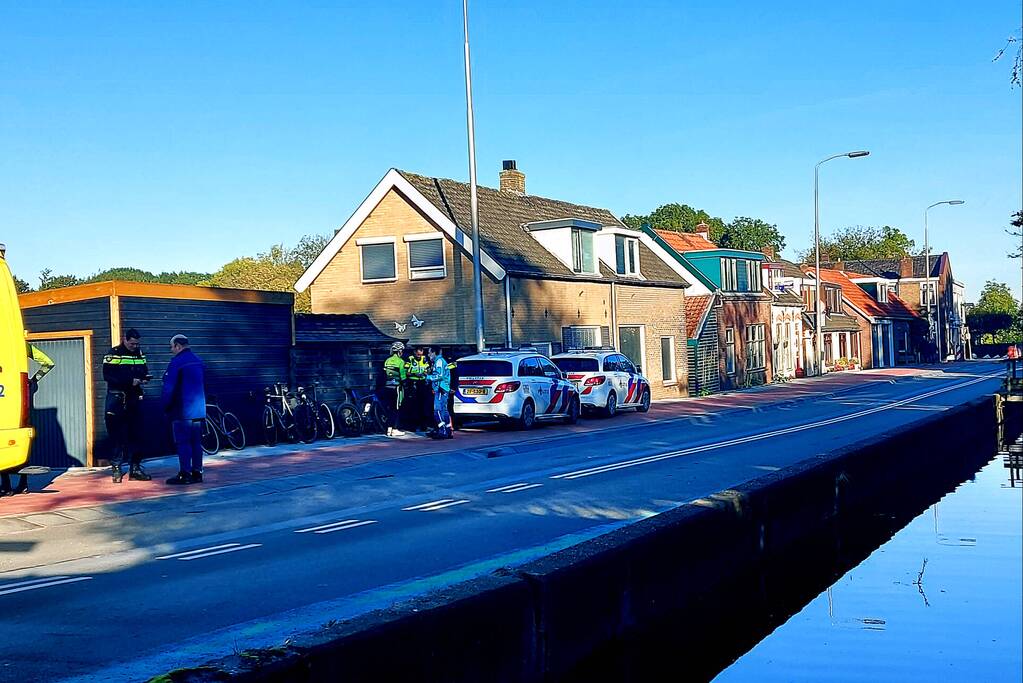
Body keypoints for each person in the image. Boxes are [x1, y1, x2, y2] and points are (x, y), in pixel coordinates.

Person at [1, 344, 56, 496]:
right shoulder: (22, 345)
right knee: (21, 441)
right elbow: (48, 363)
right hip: (20, 397)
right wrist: (32, 380)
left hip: (3, 394)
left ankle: (5, 485)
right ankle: (23, 484)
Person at [103, 328, 151, 483]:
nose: (134, 346)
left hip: (134, 397)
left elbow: (144, 369)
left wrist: (144, 378)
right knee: (116, 434)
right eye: (132, 343)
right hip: (117, 397)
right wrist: (130, 381)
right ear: (125, 339)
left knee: (137, 434)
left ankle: (135, 469)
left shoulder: (139, 353)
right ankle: (116, 468)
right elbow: (108, 375)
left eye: (137, 344)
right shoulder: (114, 353)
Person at [161, 335, 207, 485]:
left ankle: (185, 474)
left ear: (178, 346)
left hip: (182, 410)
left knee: (183, 442)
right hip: (198, 409)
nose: (171, 350)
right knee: (196, 442)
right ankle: (197, 472)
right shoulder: (198, 360)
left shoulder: (177, 363)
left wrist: (165, 406)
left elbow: (169, 388)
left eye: (171, 347)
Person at [426, 346, 453, 440]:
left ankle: (442, 431)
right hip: (444, 388)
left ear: (434, 353)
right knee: (444, 410)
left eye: (429, 353)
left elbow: (439, 376)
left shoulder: (439, 361)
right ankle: (448, 430)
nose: (428, 355)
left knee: (437, 410)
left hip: (441, 388)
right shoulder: (440, 361)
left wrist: (428, 377)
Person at [404, 346, 431, 432]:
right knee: (413, 406)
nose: (419, 356)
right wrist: (415, 374)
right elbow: (406, 372)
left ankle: (424, 425)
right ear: (414, 352)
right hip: (413, 383)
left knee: (424, 405)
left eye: (421, 354)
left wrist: (426, 372)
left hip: (423, 384)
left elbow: (428, 370)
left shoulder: (425, 359)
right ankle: (412, 426)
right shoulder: (409, 359)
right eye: (418, 354)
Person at [382, 342, 407, 437]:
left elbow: (384, 374)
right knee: (396, 409)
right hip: (396, 388)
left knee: (389, 408)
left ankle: (389, 429)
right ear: (400, 351)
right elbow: (403, 377)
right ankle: (395, 429)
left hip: (387, 387)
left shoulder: (387, 361)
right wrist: (406, 386)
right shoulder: (400, 362)